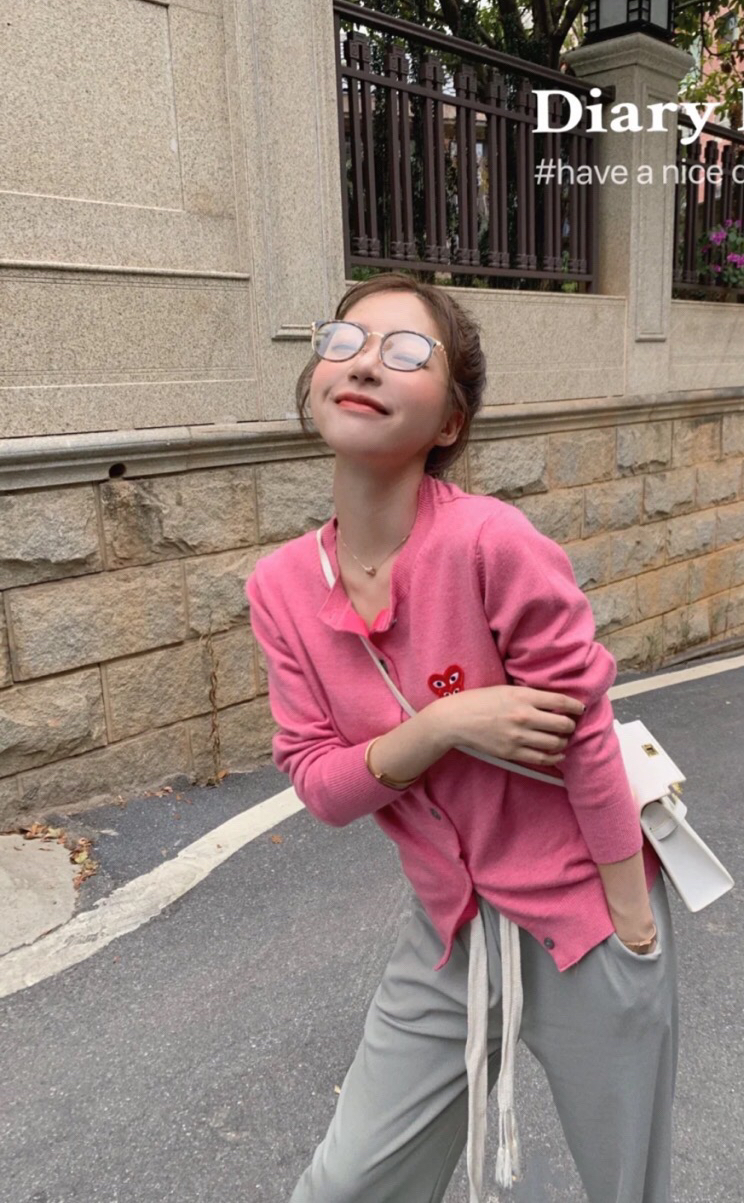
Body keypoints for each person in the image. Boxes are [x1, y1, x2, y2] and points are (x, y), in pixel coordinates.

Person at [245, 272, 678, 1203]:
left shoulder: (491, 541)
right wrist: (444, 722)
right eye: (343, 341)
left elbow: (583, 730)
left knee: (626, 1185)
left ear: (450, 420)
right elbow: (321, 785)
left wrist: (632, 926)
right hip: (448, 927)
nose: (364, 363)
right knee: (346, 1181)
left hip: (588, 916)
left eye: (406, 351)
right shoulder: (279, 588)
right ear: (314, 381)